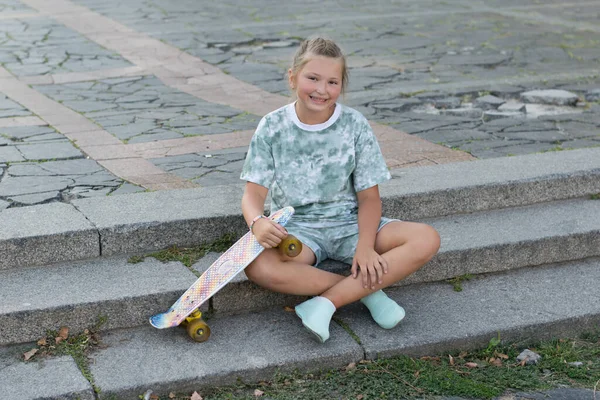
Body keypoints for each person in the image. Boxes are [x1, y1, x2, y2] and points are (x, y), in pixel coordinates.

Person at [240, 37, 440, 343]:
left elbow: (369, 197)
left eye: (332, 82)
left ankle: (326, 302)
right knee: (257, 265)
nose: (322, 90)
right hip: (298, 230)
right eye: (313, 78)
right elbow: (253, 194)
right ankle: (368, 294)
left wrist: (365, 245)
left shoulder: (354, 125)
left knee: (426, 238)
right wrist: (257, 222)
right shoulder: (272, 126)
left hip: (350, 223)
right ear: (292, 76)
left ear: (341, 86)